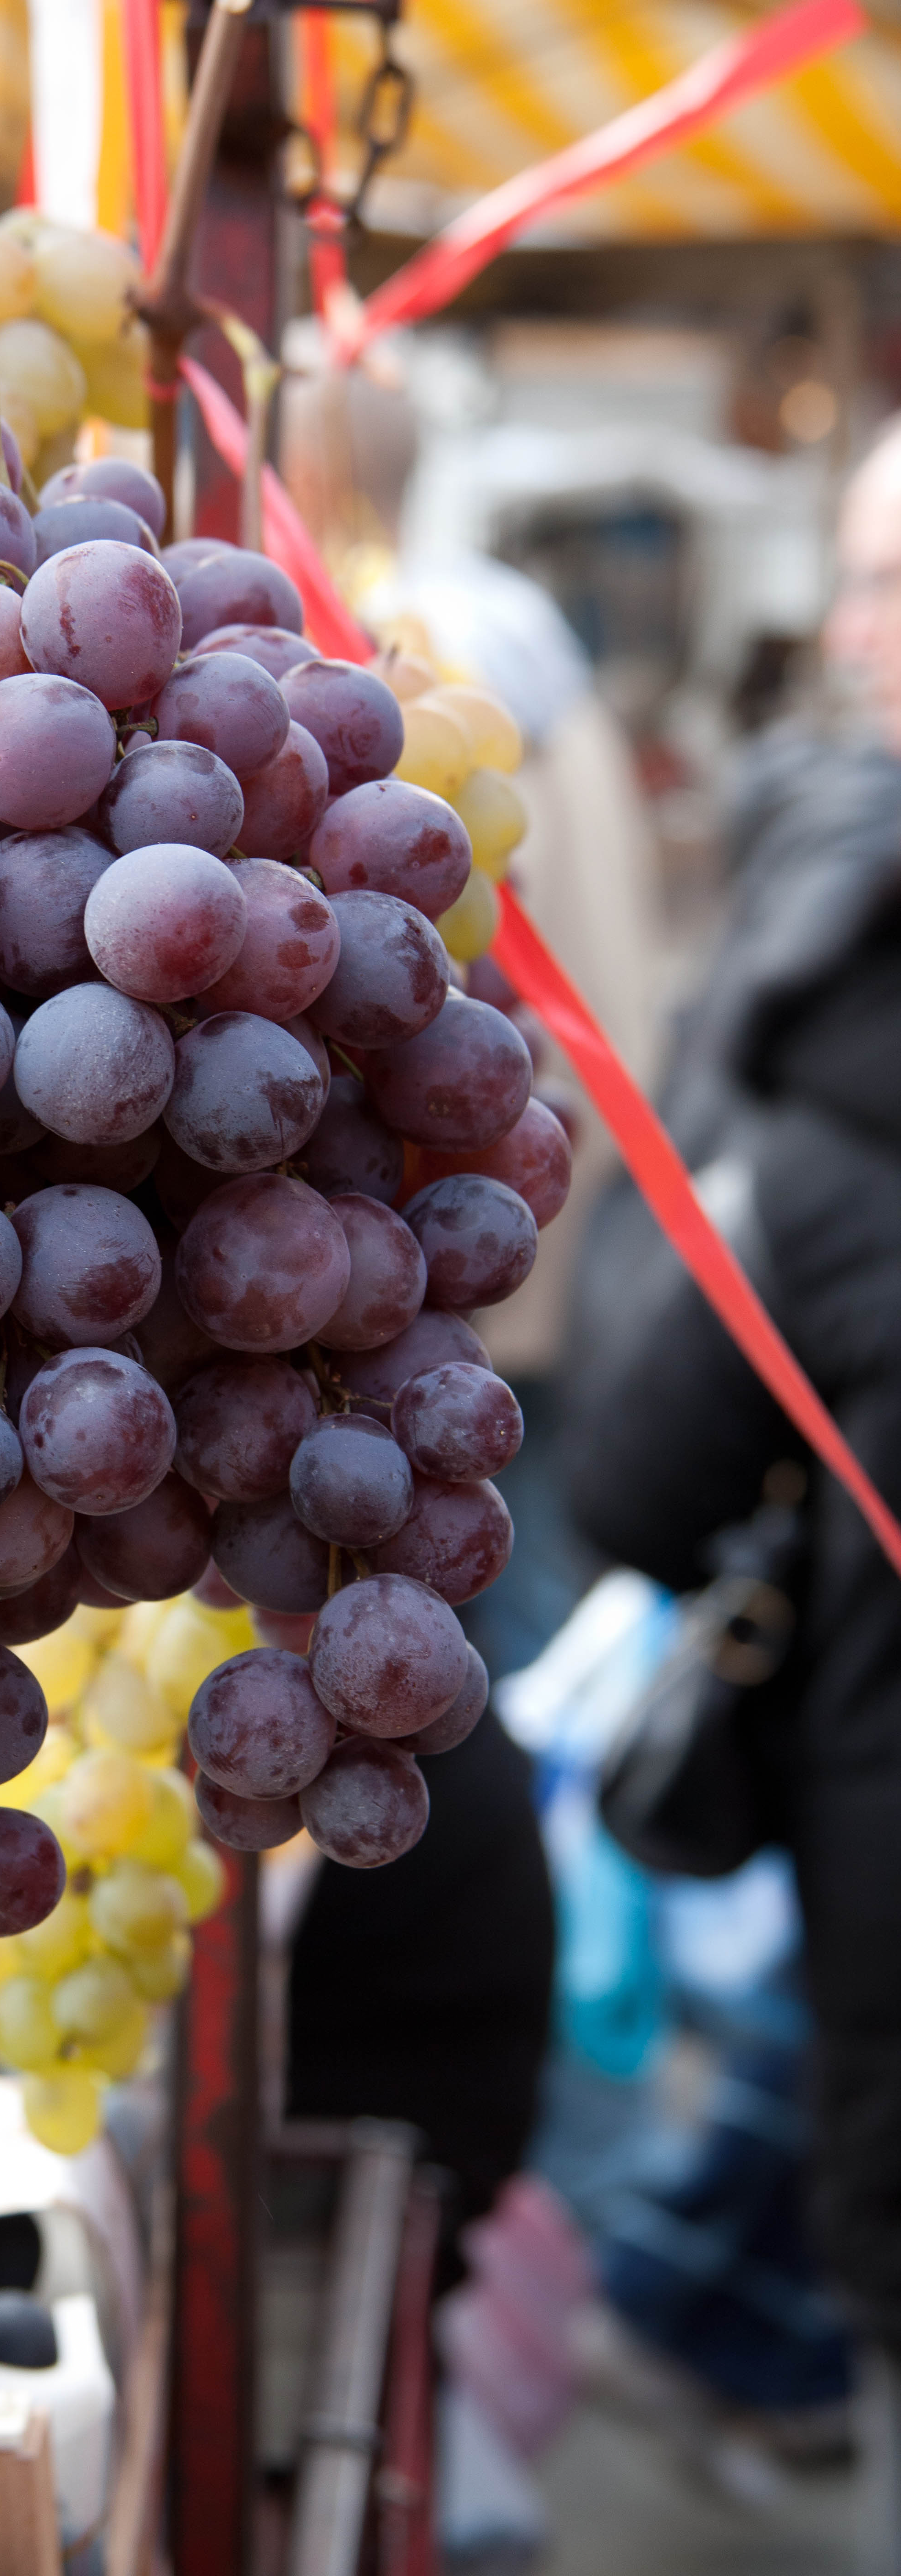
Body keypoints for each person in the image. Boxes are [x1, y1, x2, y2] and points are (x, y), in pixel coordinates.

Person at [562, 416, 901, 2563]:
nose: (857, 633)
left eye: (886, 586)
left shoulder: (836, 1006)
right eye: (863, 575)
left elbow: (647, 1468)